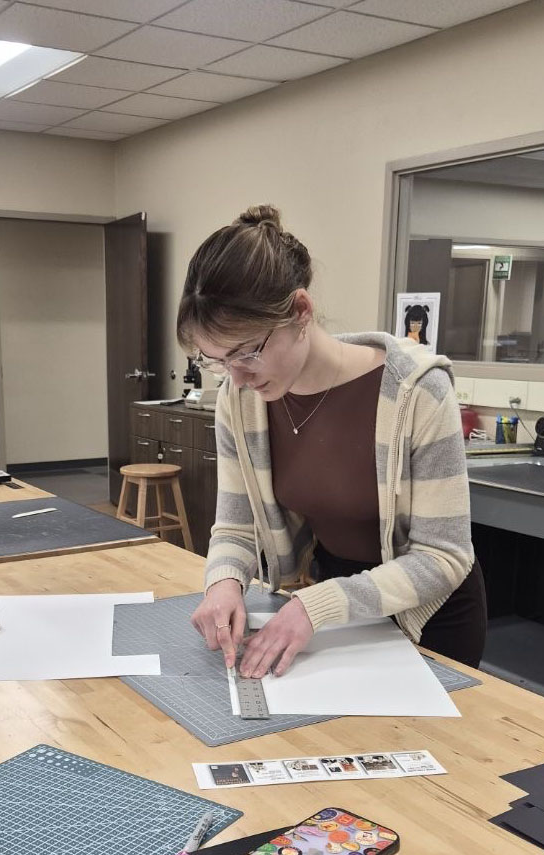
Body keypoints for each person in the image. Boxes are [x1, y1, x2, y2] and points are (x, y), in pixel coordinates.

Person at [177, 205, 486, 679]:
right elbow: (236, 527)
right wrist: (223, 582)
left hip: (430, 618)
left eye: (248, 353)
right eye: (217, 361)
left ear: (301, 311)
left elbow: (444, 556)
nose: (236, 377)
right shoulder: (240, 401)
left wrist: (312, 608)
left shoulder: (416, 392)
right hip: (334, 606)